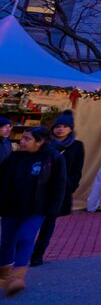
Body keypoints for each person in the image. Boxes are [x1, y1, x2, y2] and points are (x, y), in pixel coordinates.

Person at [0, 127, 66, 296]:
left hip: (36, 208)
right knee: (7, 240)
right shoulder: (14, 157)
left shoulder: (52, 158)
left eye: (27, 139)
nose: (21, 141)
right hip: (11, 206)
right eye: (22, 138)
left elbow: (59, 185)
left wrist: (53, 209)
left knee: (25, 238)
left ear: (40, 141)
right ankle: (4, 272)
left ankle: (17, 277)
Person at [31, 111, 83, 267]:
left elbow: (77, 170)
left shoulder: (76, 146)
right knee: (32, 222)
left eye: (65, 126)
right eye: (58, 126)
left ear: (71, 129)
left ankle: (38, 255)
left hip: (59, 192)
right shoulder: (44, 144)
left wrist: (69, 186)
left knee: (49, 223)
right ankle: (22, 252)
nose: (61, 129)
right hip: (39, 190)